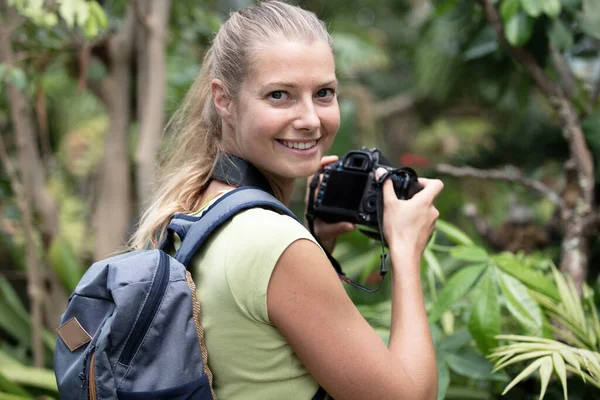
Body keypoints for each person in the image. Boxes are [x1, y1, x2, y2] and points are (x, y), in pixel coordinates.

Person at [130, 1, 443, 399]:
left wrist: (316, 244)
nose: (311, 119)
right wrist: (405, 248)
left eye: (324, 93)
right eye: (280, 95)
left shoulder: (196, 206)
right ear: (223, 100)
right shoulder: (275, 244)